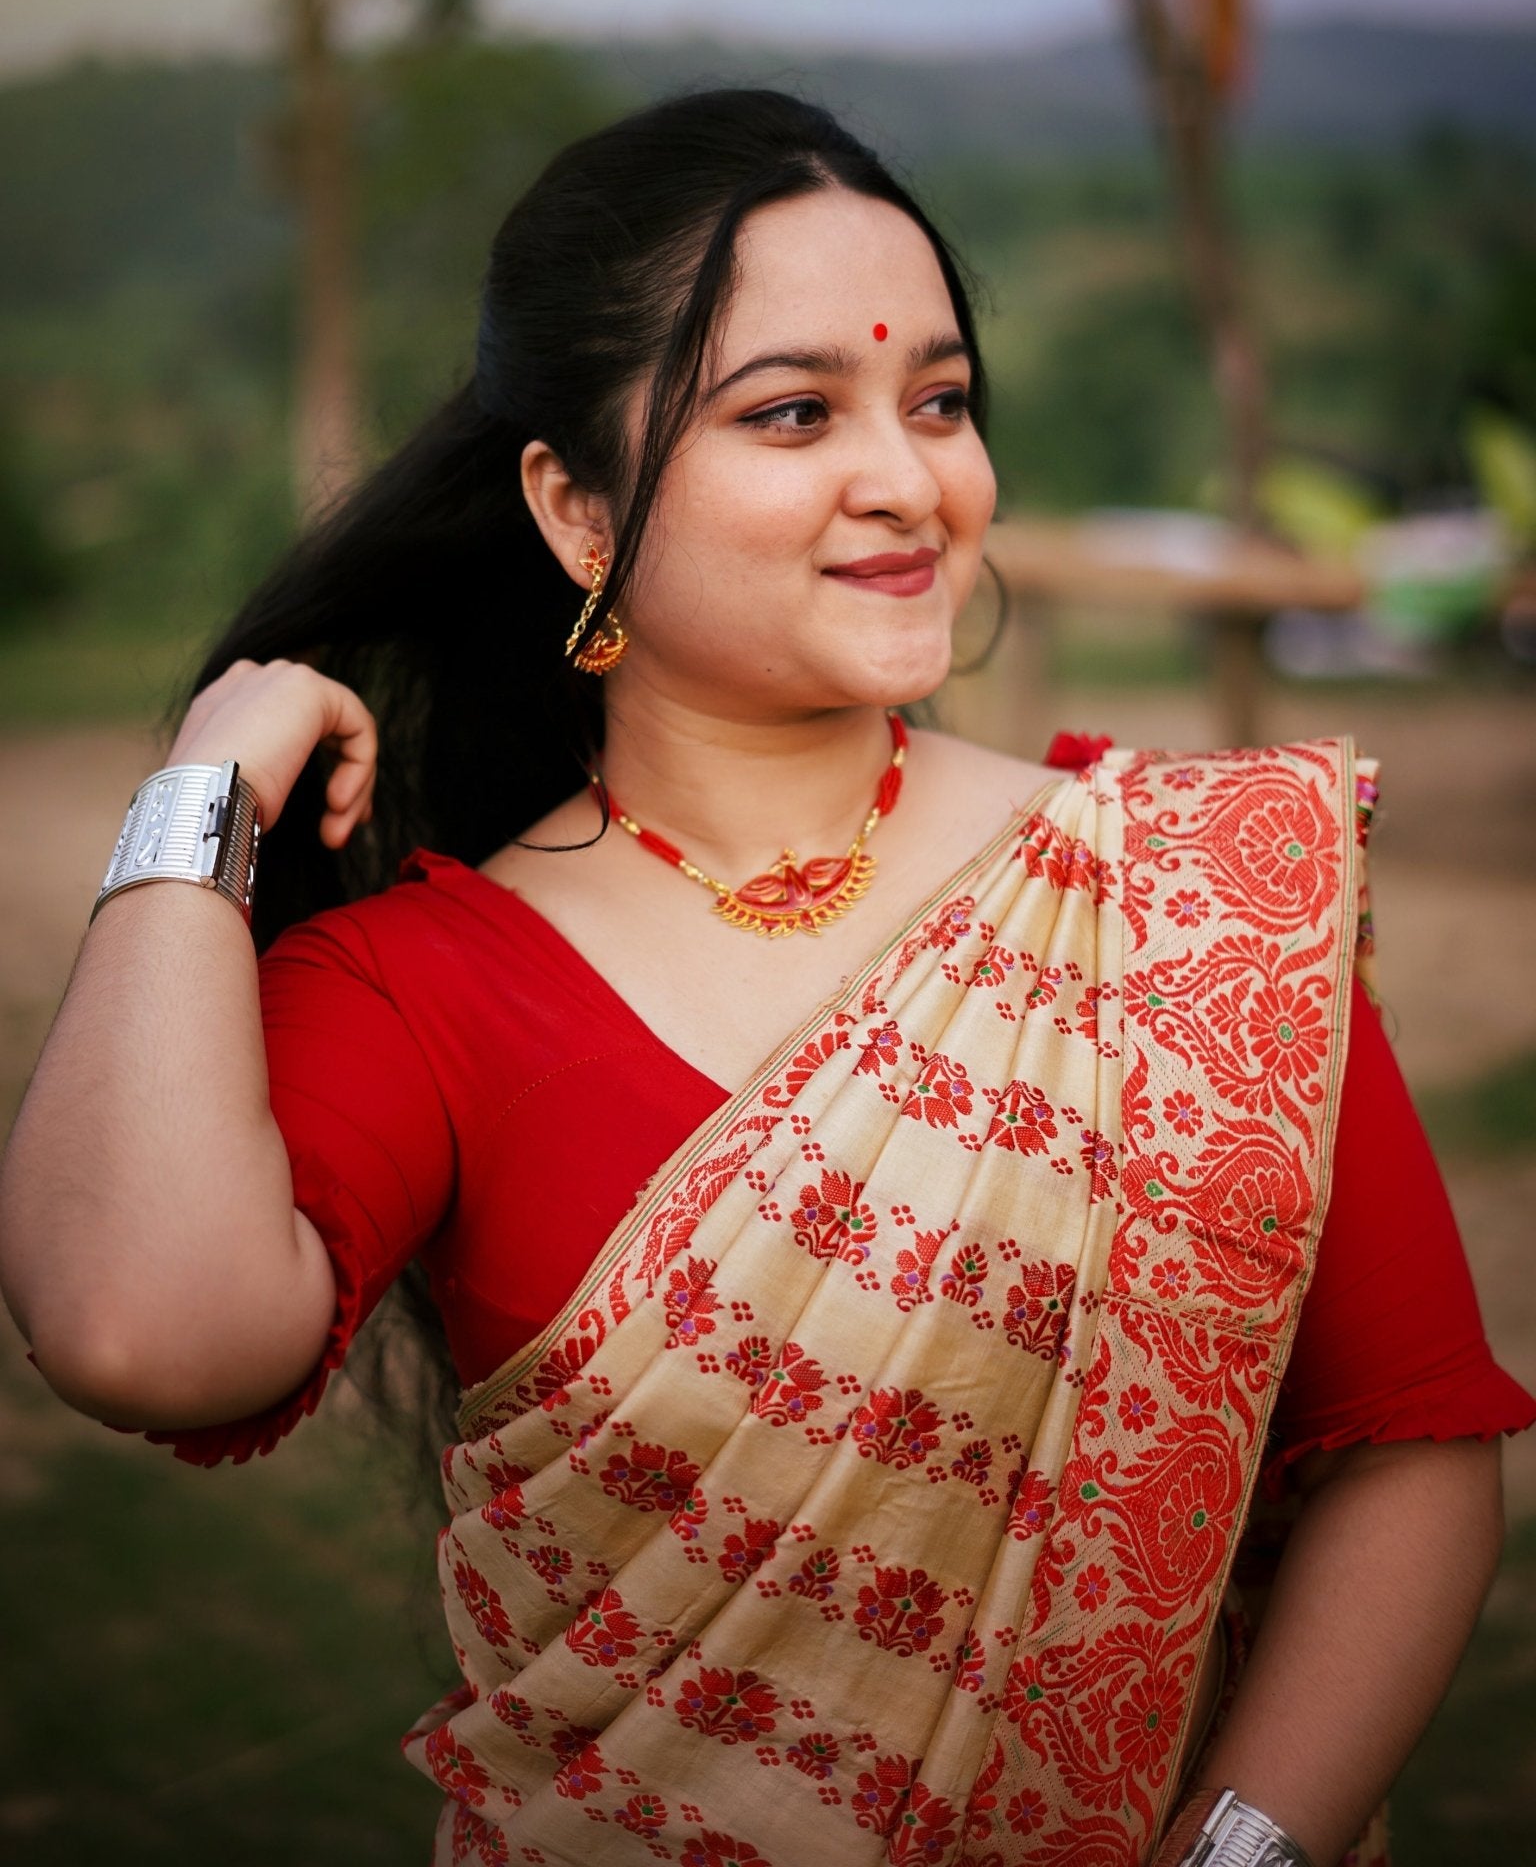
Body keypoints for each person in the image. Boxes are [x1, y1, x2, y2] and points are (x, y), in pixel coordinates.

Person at [0, 90, 1530, 1867]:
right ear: (576, 510)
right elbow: (136, 1331)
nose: (910, 481)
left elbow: (1408, 1448)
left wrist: (1234, 1853)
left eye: (939, 401)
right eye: (796, 412)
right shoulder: (428, 984)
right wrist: (210, 782)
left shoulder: (1192, 900)